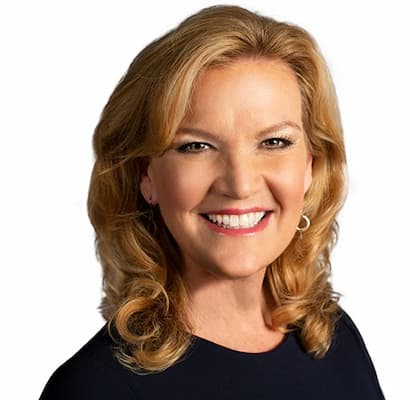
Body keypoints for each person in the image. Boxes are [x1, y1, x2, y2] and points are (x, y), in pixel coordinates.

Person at [39, 5, 384, 399]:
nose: (240, 184)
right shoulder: (95, 388)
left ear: (311, 164)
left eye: (274, 142)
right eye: (196, 146)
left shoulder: (331, 336)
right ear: (145, 174)